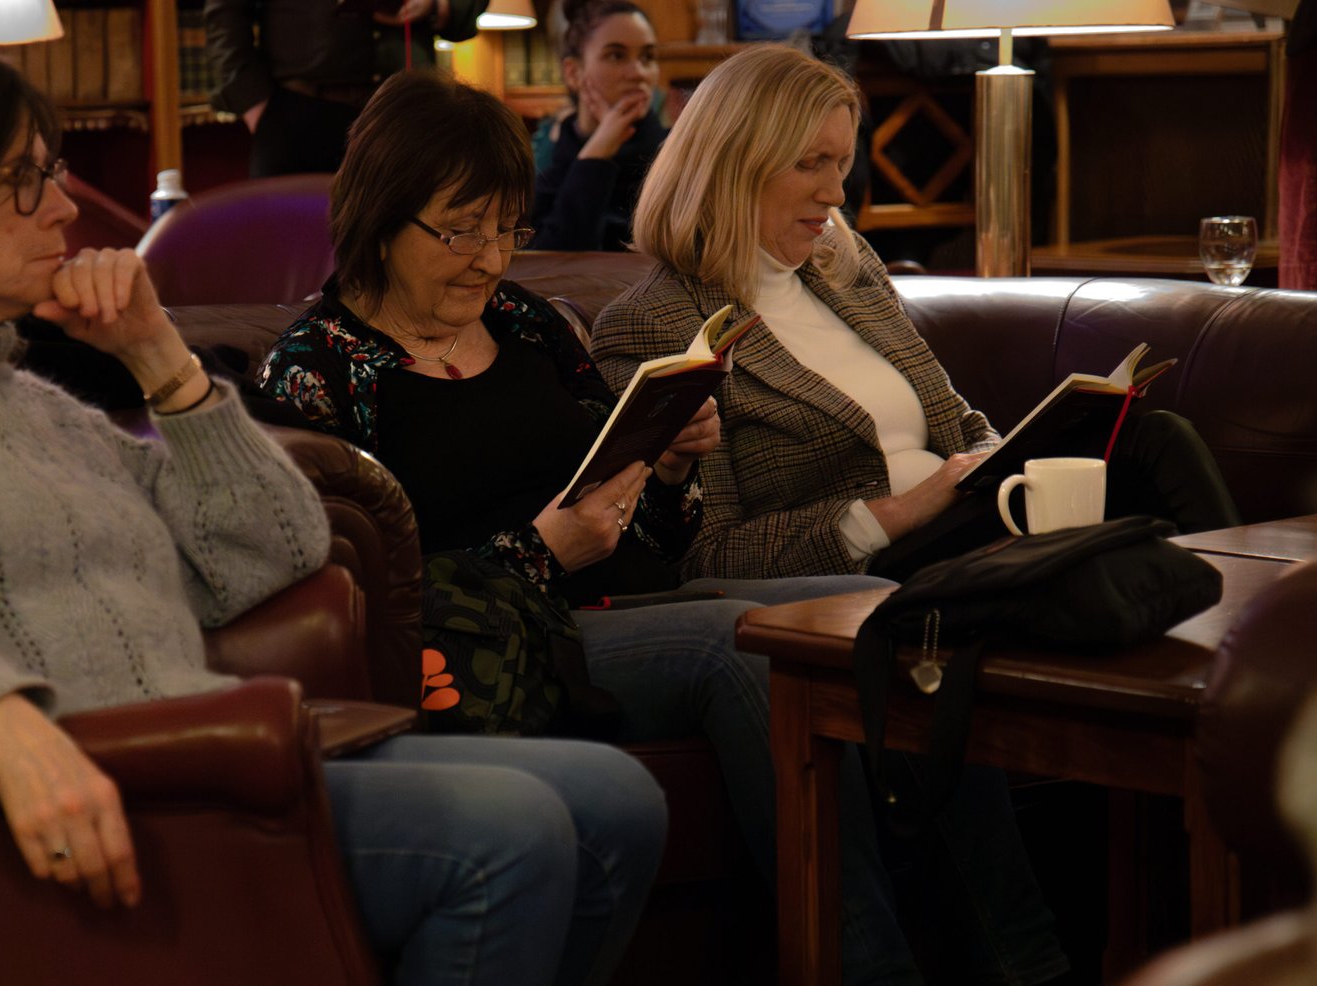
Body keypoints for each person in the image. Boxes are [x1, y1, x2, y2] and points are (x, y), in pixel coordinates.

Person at [0, 41, 667, 986]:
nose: (65, 205)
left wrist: (157, 356)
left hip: (220, 753)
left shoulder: (35, 401)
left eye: (53, 170)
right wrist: (0, 724)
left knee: (621, 802)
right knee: (515, 834)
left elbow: (279, 551)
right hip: (106, 781)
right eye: (25, 180)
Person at [257, 67, 895, 904]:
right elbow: (348, 597)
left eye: (506, 230)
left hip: (628, 596)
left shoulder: (526, 323)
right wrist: (540, 552)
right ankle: (864, 959)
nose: (490, 261)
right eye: (460, 232)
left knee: (882, 612)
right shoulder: (316, 372)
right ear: (379, 217)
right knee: (739, 644)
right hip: (511, 638)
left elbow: (656, 540)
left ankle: (1004, 949)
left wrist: (670, 467)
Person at [594, 43, 1240, 585]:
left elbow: (959, 423)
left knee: (1154, 439)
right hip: (885, 561)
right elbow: (706, 557)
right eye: (810, 163)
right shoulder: (654, 324)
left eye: (842, 163)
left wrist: (1010, 456)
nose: (835, 192)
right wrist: (902, 510)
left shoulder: (845, 266)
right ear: (732, 165)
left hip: (971, 513)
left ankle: (1249, 630)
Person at [205, 0, 484, 178]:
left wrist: (437, 5)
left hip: (409, 114)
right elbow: (224, 14)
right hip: (296, 116)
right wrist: (255, 106)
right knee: (290, 247)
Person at [530, 0, 665, 251]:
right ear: (573, 73)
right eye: (616, 55)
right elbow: (545, 262)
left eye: (647, 57)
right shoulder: (548, 161)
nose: (638, 73)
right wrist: (597, 154)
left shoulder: (678, 157)